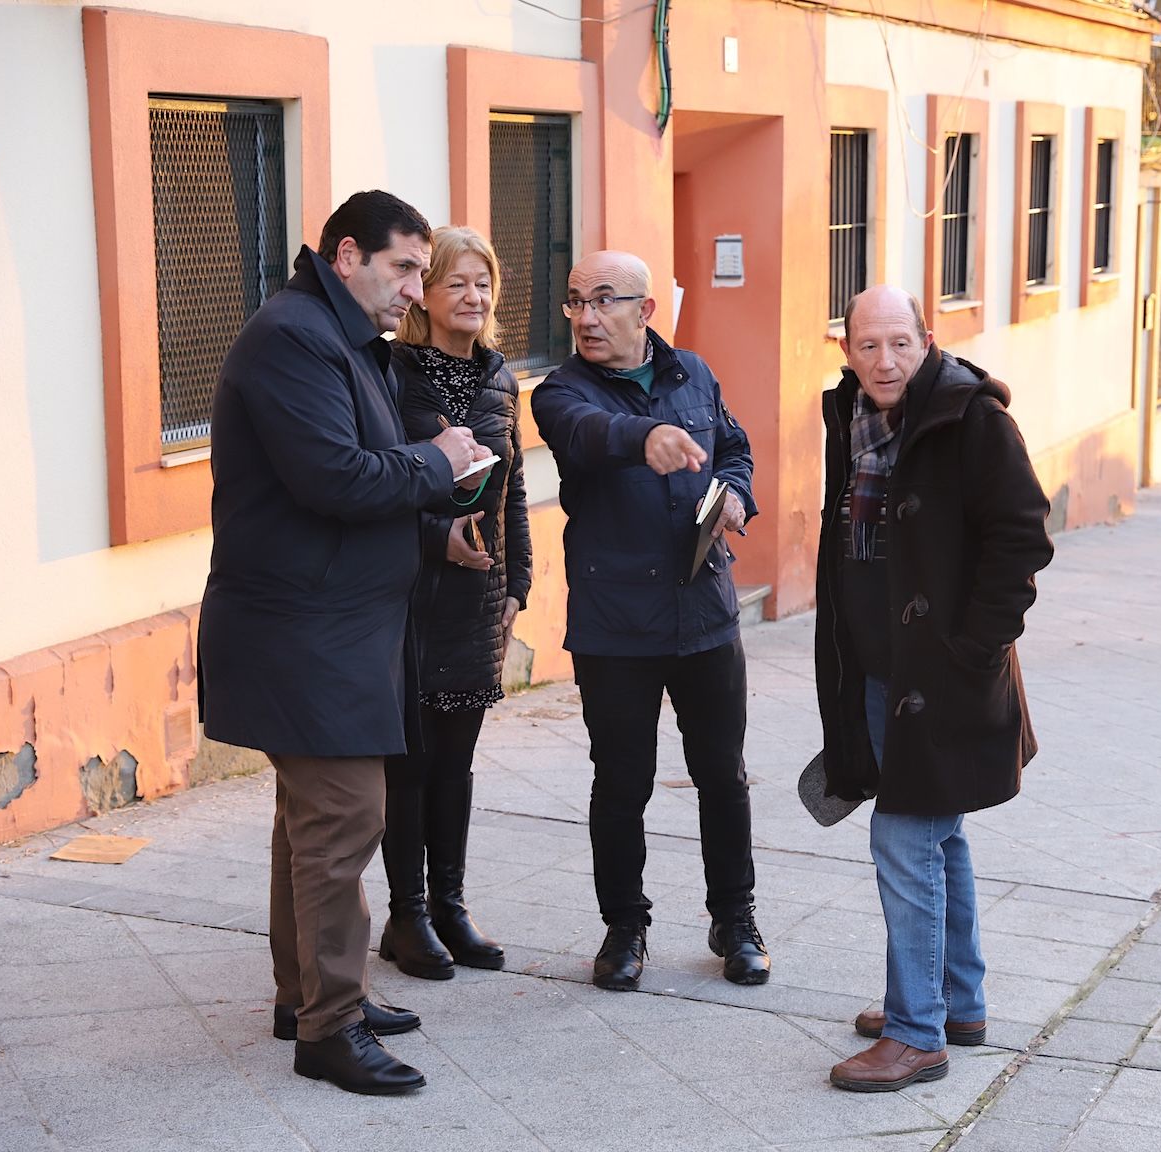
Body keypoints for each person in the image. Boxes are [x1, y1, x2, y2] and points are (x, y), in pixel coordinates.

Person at [198, 191, 490, 1095]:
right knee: (346, 821)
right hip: (303, 630)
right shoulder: (295, 336)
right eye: (405, 268)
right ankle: (328, 1029)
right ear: (348, 253)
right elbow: (332, 477)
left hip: (336, 624)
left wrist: (430, 527)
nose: (417, 286)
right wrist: (437, 463)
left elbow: (350, 477)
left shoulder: (342, 337)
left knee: (310, 823)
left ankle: (311, 995)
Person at [815, 285, 1054, 1092]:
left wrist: (973, 648)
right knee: (938, 835)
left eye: (899, 344)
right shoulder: (849, 417)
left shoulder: (972, 418)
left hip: (946, 676)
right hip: (883, 672)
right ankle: (956, 1001)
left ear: (927, 340)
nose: (884, 361)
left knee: (906, 837)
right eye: (867, 345)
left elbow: (1022, 535)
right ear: (846, 349)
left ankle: (917, 1034)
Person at [529, 251, 768, 992]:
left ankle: (736, 919)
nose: (586, 317)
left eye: (604, 301)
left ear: (646, 310)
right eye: (574, 302)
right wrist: (646, 439)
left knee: (722, 776)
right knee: (621, 781)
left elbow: (734, 448)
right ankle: (624, 927)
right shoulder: (561, 391)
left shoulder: (694, 372)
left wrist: (733, 494)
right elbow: (585, 434)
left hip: (704, 614)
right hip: (615, 625)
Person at [378, 227, 531, 981]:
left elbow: (515, 493)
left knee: (457, 764)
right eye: (456, 284)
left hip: (476, 597)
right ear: (426, 297)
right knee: (408, 760)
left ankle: (449, 906)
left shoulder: (502, 379)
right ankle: (404, 915)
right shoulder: (395, 374)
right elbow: (380, 485)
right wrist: (439, 539)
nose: (473, 298)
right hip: (410, 594)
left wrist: (518, 585)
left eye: (483, 284)